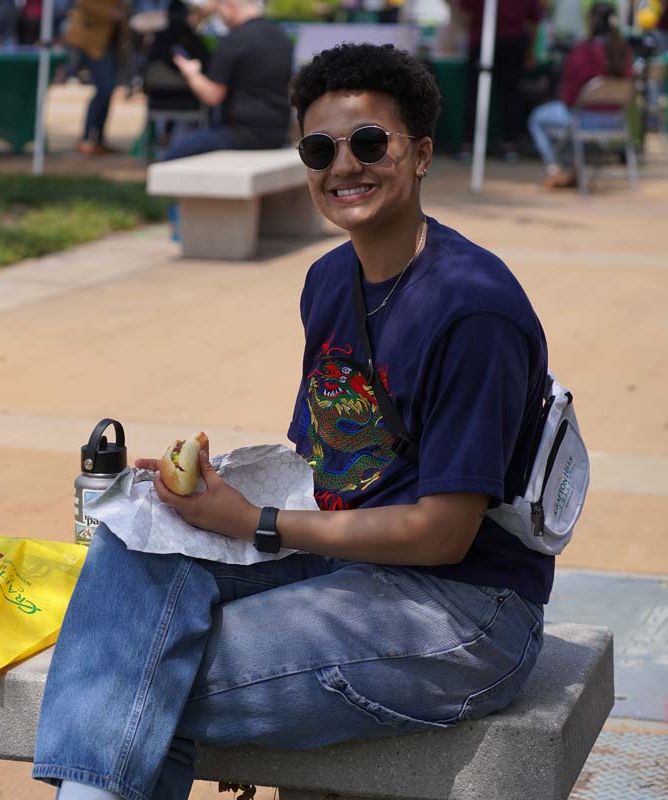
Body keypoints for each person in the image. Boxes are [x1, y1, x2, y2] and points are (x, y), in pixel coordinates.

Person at [32, 42, 551, 800]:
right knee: (135, 538)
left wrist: (256, 523)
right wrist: (209, 498)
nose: (344, 166)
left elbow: (443, 534)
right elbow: (326, 468)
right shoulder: (329, 280)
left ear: (421, 154)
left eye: (368, 142)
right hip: (350, 562)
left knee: (135, 677)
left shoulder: (472, 310)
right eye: (319, 149)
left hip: (465, 608)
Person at [165, 0, 292, 160]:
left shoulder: (235, 39)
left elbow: (212, 96)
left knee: (169, 158)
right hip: (278, 134)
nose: (220, 17)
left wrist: (192, 73)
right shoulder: (281, 36)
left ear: (230, 6)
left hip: (240, 135)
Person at [527, 2, 633, 189]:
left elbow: (570, 94)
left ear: (591, 20)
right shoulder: (623, 50)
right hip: (615, 120)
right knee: (566, 122)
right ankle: (573, 170)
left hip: (583, 118)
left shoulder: (585, 51)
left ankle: (554, 169)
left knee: (538, 118)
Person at [459, 0, 543, 161]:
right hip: (504, 42)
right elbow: (534, 21)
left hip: (488, 41)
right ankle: (505, 145)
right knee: (505, 95)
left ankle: (472, 144)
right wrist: (530, 51)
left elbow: (465, 14)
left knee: (484, 95)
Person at [63, 0, 130, 156]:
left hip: (108, 42)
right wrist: (112, 13)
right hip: (92, 42)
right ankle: (88, 138)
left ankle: (97, 139)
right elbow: (85, 4)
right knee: (104, 89)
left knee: (107, 90)